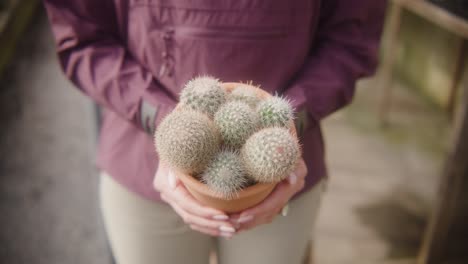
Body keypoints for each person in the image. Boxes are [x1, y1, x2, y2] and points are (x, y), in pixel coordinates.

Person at [43, 0, 386, 263]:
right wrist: (166, 120)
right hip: (140, 161)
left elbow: (350, 41)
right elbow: (84, 37)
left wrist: (285, 124)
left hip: (283, 171)